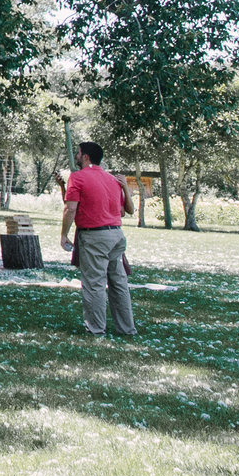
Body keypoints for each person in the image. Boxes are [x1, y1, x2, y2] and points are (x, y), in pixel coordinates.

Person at [62, 140, 137, 337]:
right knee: (118, 283)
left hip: (94, 236)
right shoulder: (112, 179)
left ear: (85, 156)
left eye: (78, 153)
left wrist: (64, 235)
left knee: (94, 283)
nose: (76, 156)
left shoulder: (77, 178)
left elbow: (70, 208)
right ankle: (126, 328)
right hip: (116, 235)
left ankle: (96, 329)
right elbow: (122, 210)